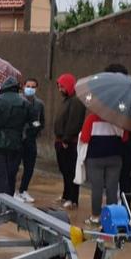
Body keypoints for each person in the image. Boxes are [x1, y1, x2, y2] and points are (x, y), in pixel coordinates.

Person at [0, 77, 35, 196]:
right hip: (17, 144)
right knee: (11, 175)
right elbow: (35, 123)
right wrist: (27, 137)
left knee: (0, 175)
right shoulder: (25, 103)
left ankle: (2, 203)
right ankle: (9, 201)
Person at [80, 112, 129, 225]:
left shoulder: (91, 118)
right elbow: (125, 138)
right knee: (112, 188)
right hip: (115, 158)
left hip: (95, 158)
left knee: (97, 188)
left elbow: (84, 138)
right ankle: (110, 218)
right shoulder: (120, 119)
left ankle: (95, 216)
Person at [53, 73, 87, 209]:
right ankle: (66, 195)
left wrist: (66, 139)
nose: (60, 89)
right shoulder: (68, 100)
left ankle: (73, 199)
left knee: (71, 171)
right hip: (62, 141)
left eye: (62, 86)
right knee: (64, 170)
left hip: (68, 142)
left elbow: (74, 122)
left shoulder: (76, 101)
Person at [104, 62, 131, 197]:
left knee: (123, 176)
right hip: (112, 141)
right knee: (112, 177)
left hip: (125, 142)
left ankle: (125, 207)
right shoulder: (110, 96)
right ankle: (113, 205)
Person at [17, 77, 45, 203]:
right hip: (18, 138)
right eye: (28, 86)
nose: (30, 89)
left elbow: (42, 121)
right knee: (15, 165)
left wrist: (37, 129)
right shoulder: (18, 100)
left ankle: (23, 190)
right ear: (23, 86)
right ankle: (13, 191)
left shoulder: (39, 104)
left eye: (33, 87)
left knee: (29, 166)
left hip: (31, 138)